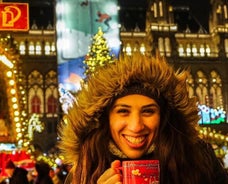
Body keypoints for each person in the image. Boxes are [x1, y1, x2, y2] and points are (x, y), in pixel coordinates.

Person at [58, 52, 228, 184]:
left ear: (163, 116)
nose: (136, 126)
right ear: (106, 118)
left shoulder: (197, 158)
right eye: (123, 111)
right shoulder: (85, 169)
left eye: (148, 112)